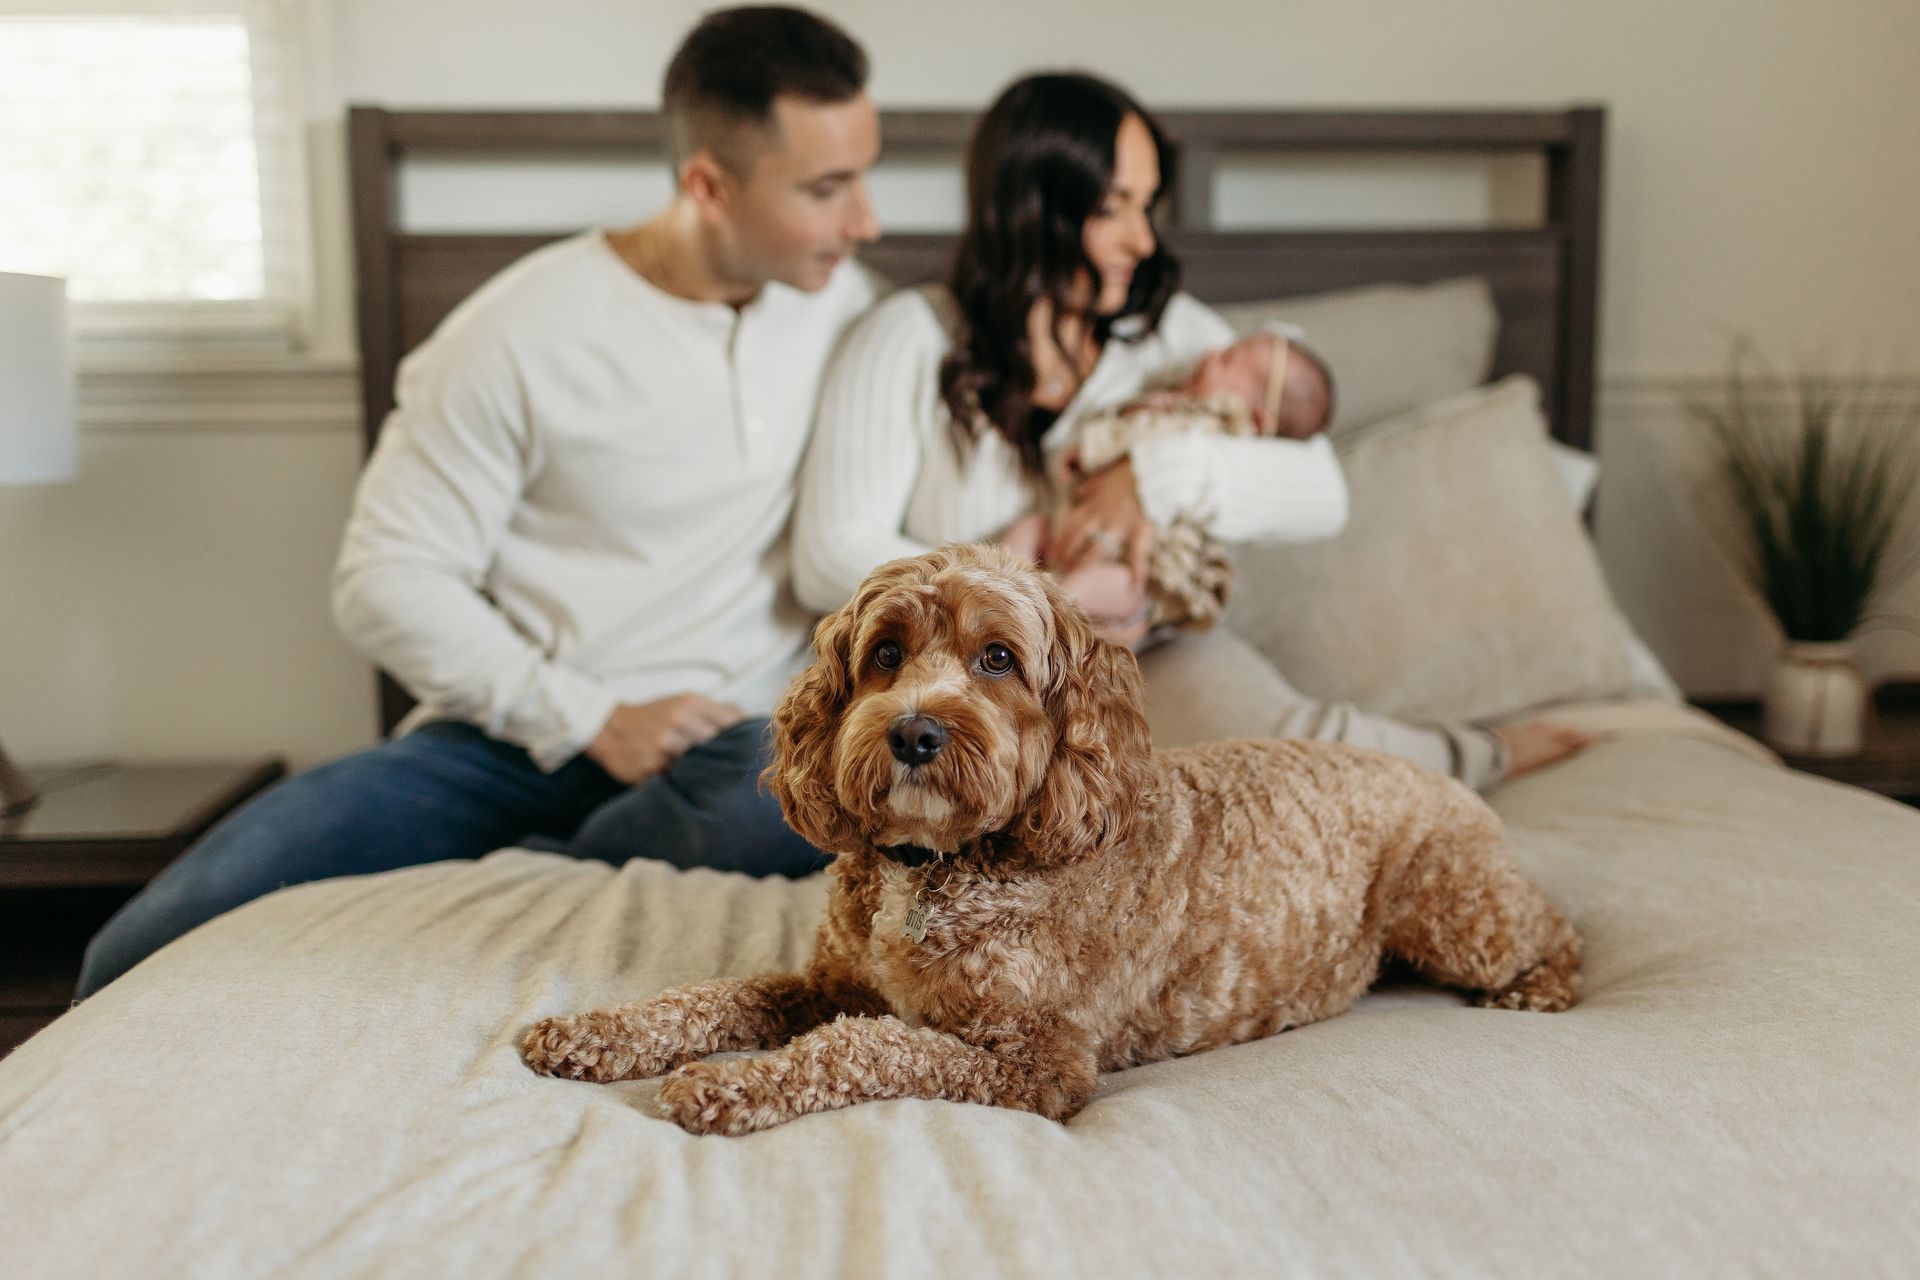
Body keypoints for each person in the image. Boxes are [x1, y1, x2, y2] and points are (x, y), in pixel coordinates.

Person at [76, 5, 883, 999]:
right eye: (827, 188)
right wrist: (589, 713)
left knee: (787, 790)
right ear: (708, 186)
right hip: (507, 736)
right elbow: (385, 579)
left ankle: (518, 874)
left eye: (865, 178)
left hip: (729, 744)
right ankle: (537, 849)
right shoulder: (513, 333)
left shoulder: (853, 311)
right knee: (142, 942)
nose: (865, 220)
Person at [790, 70, 1588, 796]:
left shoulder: (1167, 338)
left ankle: (1479, 756)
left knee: (1306, 761)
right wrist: (1028, 599)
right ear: (1031, 207)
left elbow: (1322, 493)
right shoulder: (907, 337)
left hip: (1145, 657)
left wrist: (1156, 477)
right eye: (1113, 209)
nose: (1143, 241)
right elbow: (829, 552)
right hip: (959, 685)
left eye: (1146, 205)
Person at [1002, 326, 1334, 630]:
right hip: (1068, 526)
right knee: (1030, 529)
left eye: (1227, 360)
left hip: (1139, 562)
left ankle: (1041, 609)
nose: (1210, 354)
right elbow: (1127, 429)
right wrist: (1090, 449)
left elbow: (1328, 498)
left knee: (1126, 586)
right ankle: (986, 587)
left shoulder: (1222, 435)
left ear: (1256, 420)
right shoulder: (1170, 400)